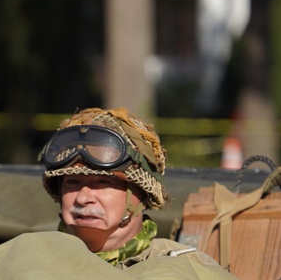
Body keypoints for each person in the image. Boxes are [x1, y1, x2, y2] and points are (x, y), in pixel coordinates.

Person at [40, 107, 216, 267]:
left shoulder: (189, 270)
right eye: (73, 182)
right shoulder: (31, 262)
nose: (83, 198)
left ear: (141, 192)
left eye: (103, 182)